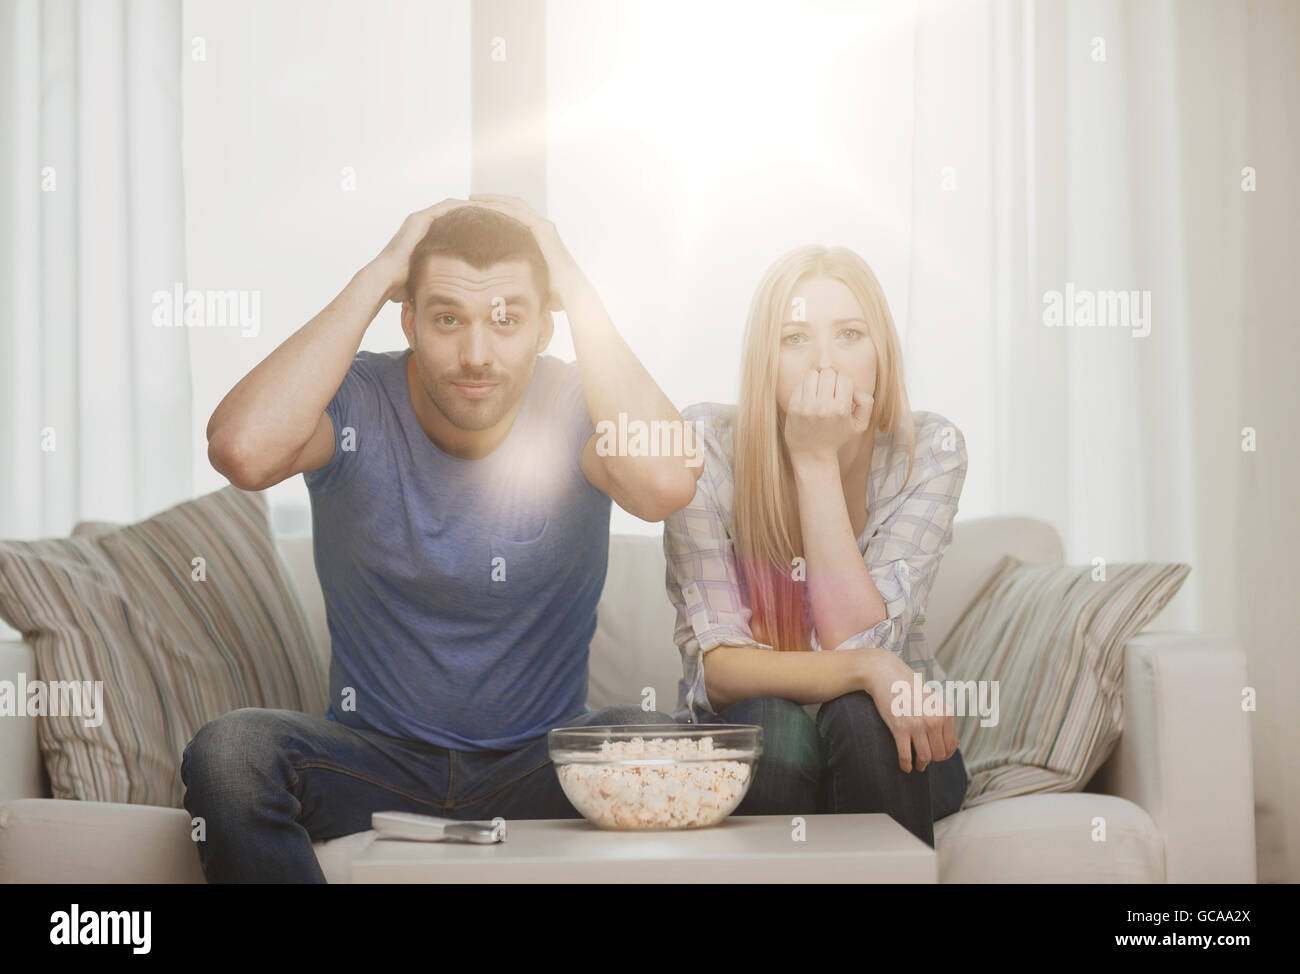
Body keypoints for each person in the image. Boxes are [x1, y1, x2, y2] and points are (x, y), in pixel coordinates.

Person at [183, 195, 693, 882]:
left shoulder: (579, 406)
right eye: (448, 319)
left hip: (542, 765)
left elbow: (665, 484)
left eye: (508, 319)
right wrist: (377, 274)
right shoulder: (356, 399)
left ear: (546, 327)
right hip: (372, 763)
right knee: (229, 751)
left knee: (659, 744)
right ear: (410, 319)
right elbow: (241, 450)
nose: (477, 355)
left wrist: (572, 281)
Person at [662, 244, 969, 847]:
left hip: (887, 740)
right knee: (772, 724)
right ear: (764, 361)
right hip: (756, 729)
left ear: (881, 354)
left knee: (860, 718)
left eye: (850, 334)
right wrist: (871, 666)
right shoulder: (702, 445)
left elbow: (854, 636)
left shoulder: (930, 450)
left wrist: (814, 460)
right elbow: (722, 671)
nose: (823, 364)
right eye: (795, 339)